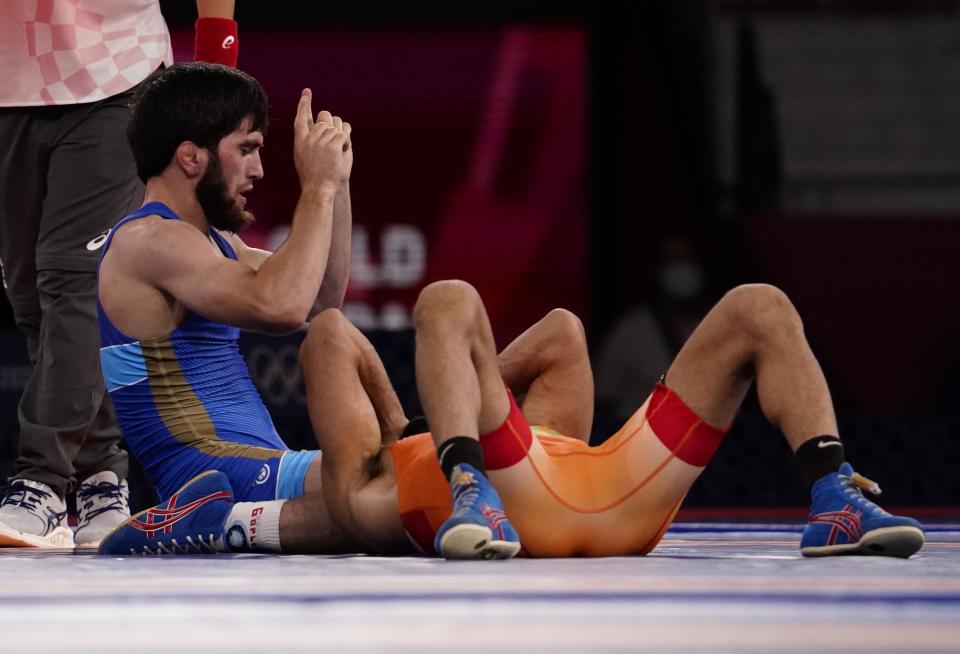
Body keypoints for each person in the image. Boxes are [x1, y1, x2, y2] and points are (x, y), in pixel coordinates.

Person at [101, 278, 925, 559]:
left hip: (557, 486)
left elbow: (331, 340)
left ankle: (834, 493)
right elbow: (329, 337)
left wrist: (426, 412)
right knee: (451, 305)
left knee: (758, 306)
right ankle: (464, 470)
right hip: (594, 509)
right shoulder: (365, 487)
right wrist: (418, 417)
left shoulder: (373, 473)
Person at [0, 0, 241, 549]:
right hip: (9, 80)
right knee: (31, 297)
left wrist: (215, 65)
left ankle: (39, 481)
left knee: (75, 283)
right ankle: (102, 480)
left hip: (115, 72)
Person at [95, 61, 357, 555]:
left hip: (255, 469)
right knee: (398, 486)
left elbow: (321, 300)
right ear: (191, 157)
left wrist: (336, 183)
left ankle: (227, 525)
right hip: (210, 473)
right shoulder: (149, 240)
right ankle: (209, 521)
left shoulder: (214, 242)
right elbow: (281, 306)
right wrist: (317, 188)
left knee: (396, 497)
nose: (258, 169)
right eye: (247, 149)